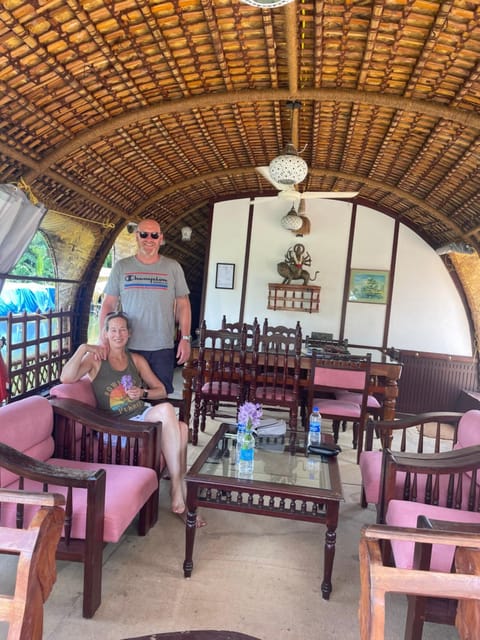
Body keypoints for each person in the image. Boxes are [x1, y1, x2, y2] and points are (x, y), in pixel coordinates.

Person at [60, 311, 205, 527]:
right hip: (118, 427)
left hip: (140, 416)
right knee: (173, 419)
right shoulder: (96, 360)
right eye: (113, 330)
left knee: (180, 426)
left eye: (122, 330)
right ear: (106, 333)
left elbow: (161, 390)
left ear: (129, 334)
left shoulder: (135, 360)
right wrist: (83, 348)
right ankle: (178, 488)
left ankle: (179, 490)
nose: (118, 334)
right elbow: (66, 377)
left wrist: (142, 393)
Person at [98, 218, 192, 395]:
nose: (149, 239)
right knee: (126, 397)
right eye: (144, 234)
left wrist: (185, 338)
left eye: (154, 235)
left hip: (161, 347)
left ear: (160, 238)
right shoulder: (122, 267)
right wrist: (103, 338)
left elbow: (183, 304)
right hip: (127, 346)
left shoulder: (173, 267)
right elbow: (108, 304)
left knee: (159, 395)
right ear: (137, 237)